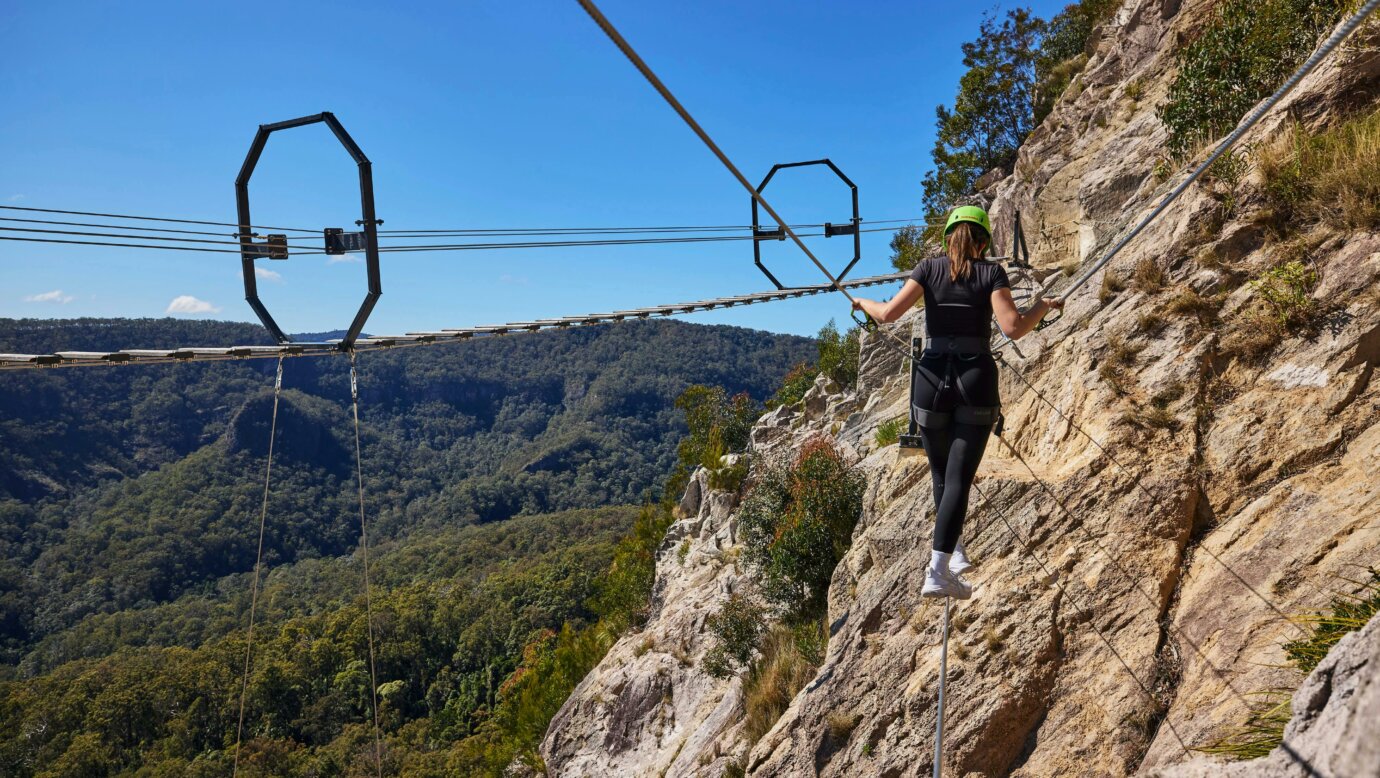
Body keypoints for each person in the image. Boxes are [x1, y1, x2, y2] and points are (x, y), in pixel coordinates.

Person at [851, 205, 1063, 599]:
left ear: (949, 237)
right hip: (974, 379)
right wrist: (1042, 306)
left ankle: (955, 550)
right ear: (983, 241)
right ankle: (938, 569)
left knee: (941, 473)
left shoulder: (928, 269)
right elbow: (1013, 328)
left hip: (930, 381)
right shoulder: (990, 273)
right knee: (960, 478)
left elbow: (889, 313)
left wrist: (863, 302)